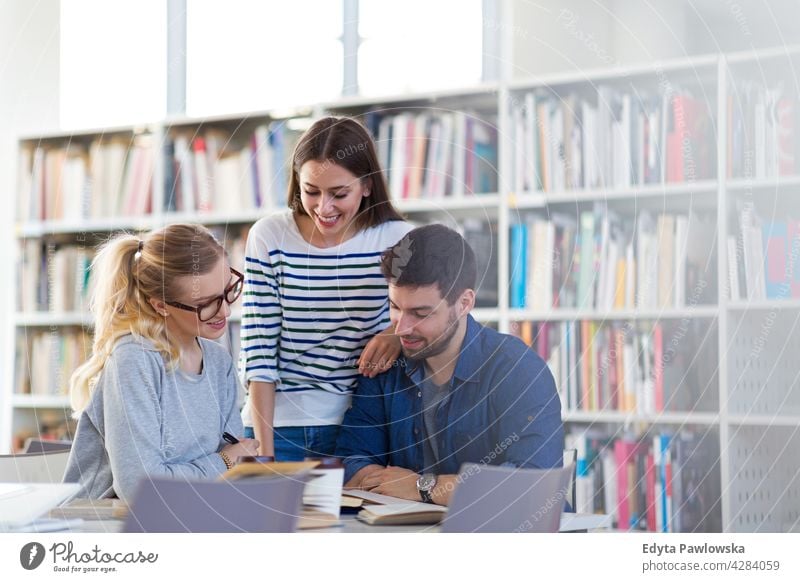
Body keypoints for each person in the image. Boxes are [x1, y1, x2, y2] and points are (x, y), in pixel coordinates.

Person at [336, 224, 564, 505]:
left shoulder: (518, 370)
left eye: (420, 313)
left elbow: (533, 483)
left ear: (464, 302)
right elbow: (350, 460)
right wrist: (388, 482)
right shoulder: (385, 368)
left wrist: (421, 487)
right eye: (395, 307)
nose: (401, 329)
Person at [240, 116, 413, 460]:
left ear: (367, 186)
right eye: (311, 191)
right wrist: (266, 456)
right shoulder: (270, 236)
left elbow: (434, 316)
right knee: (275, 514)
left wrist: (396, 333)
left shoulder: (397, 239)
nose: (324, 208)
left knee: (356, 516)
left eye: (339, 193)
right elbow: (259, 352)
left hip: (363, 427)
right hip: (278, 428)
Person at [63, 224, 259, 503]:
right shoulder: (133, 359)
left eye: (228, 290)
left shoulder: (218, 362)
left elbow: (238, 462)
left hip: (188, 512)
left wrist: (231, 462)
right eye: (206, 303)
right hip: (106, 525)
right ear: (161, 306)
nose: (226, 310)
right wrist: (224, 462)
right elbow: (141, 488)